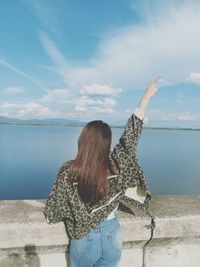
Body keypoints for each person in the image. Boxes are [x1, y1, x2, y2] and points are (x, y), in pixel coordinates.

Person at [43, 77, 160, 267]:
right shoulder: (115, 165)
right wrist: (146, 97)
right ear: (106, 144)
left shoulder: (69, 170)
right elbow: (130, 138)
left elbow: (57, 205)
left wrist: (50, 216)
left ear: (83, 141)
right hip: (112, 234)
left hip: (83, 238)